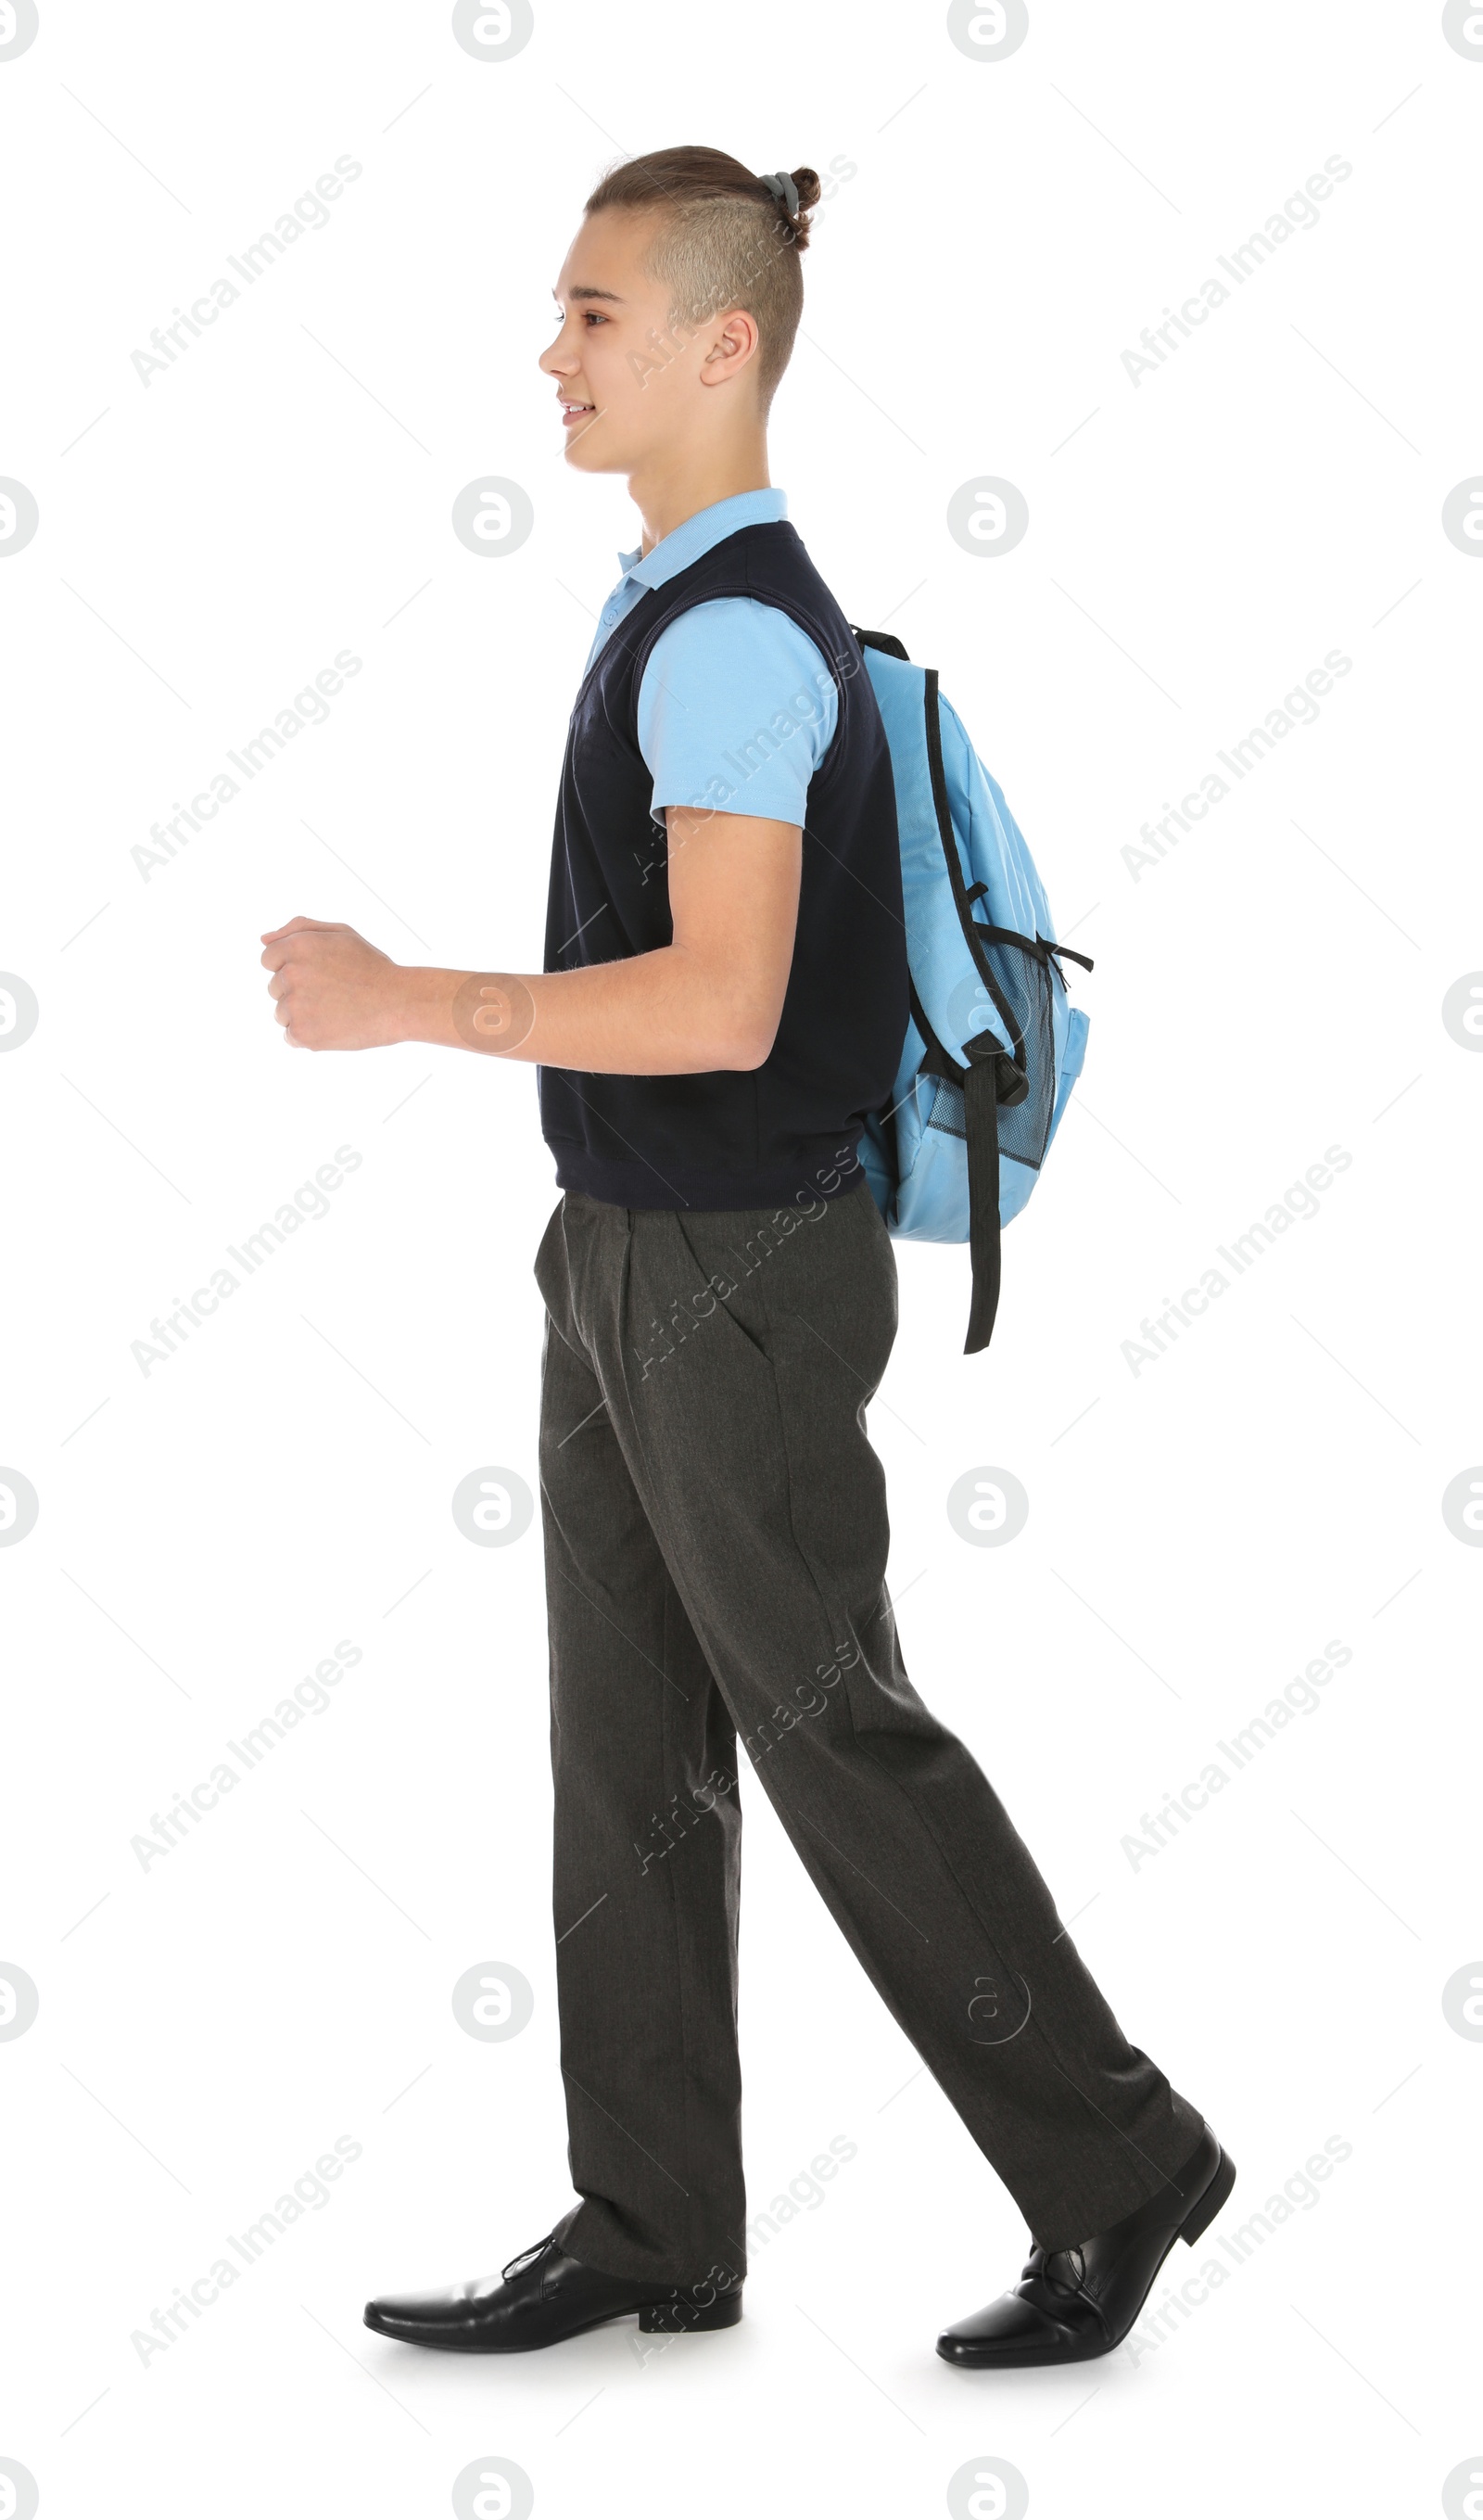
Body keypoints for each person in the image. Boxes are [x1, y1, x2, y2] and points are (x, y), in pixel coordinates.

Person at [260, 145, 1233, 2370]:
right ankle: (653, 2218)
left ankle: (1115, 2159)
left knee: (828, 1734)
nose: (551, 352)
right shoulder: (675, 605)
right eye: (559, 309)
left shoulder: (723, 640)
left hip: (737, 1275)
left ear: (724, 344)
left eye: (593, 314)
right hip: (617, 1249)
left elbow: (715, 1001)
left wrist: (411, 992)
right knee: (624, 1749)